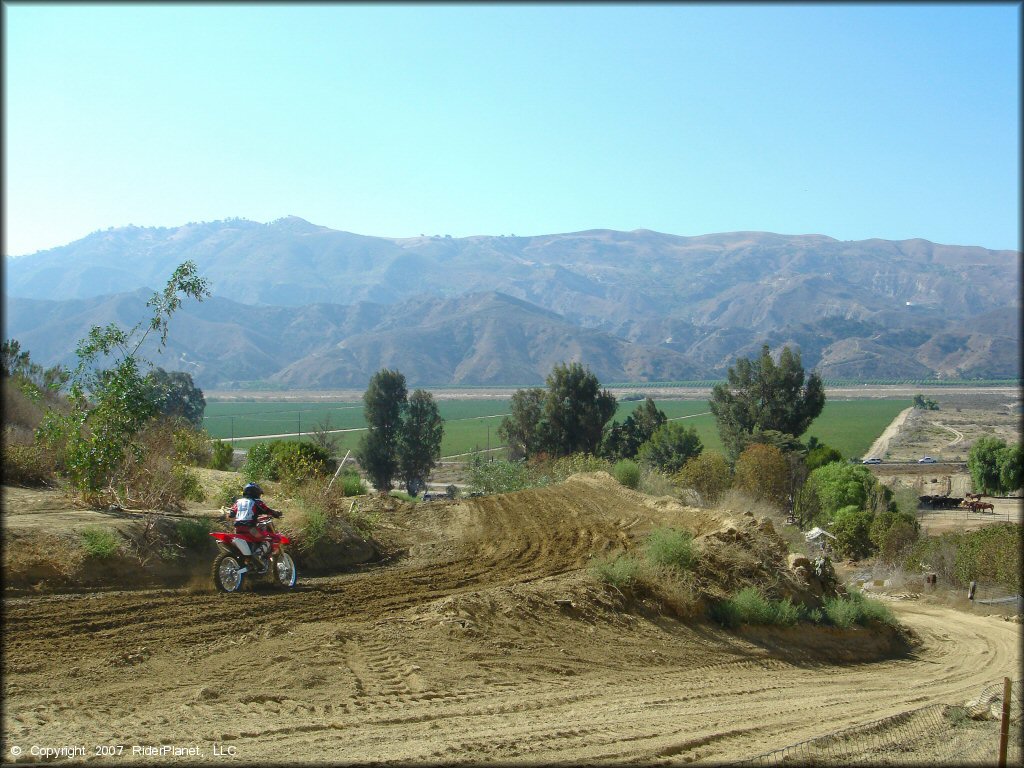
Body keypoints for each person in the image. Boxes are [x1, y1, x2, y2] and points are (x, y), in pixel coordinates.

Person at [228, 483, 282, 569]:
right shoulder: (256, 502)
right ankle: (257, 555)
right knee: (269, 539)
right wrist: (276, 513)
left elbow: (231, 514)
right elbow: (267, 510)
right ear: (256, 492)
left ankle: (249, 560)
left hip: (238, 529)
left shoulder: (238, 502)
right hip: (251, 529)